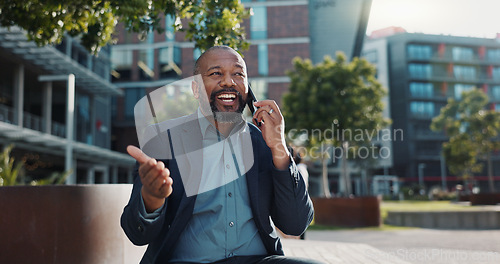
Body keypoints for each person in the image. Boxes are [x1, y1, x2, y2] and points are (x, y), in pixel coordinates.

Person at [121, 46, 320, 264]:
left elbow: (296, 225)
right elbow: (137, 234)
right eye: (216, 73)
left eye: (238, 74)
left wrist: (279, 149)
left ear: (247, 88)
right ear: (196, 89)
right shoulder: (162, 138)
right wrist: (152, 199)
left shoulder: (265, 143)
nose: (228, 82)